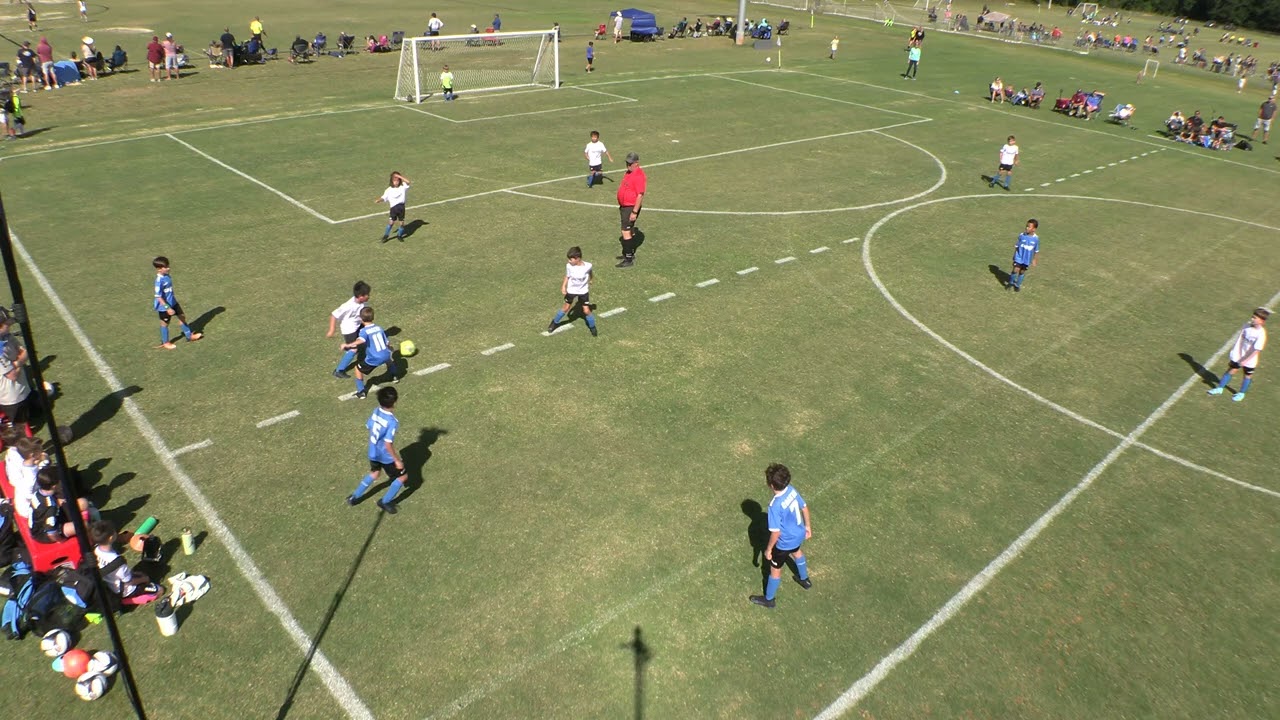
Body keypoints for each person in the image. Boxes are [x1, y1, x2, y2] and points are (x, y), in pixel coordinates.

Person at [748, 463, 812, 609]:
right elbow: (804, 507)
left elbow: (776, 533)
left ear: (771, 485)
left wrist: (769, 549)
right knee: (797, 552)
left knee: (775, 569)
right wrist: (807, 527)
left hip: (784, 542)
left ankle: (769, 599)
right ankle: (805, 580)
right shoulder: (791, 490)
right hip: (798, 534)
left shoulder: (774, 506)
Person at [346, 386, 405, 513]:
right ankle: (384, 502)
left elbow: (369, 426)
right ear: (395, 402)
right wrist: (397, 460)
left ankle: (353, 497)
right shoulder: (392, 421)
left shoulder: (376, 411)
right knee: (402, 477)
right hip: (385, 456)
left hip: (373, 452)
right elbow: (388, 444)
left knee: (375, 473)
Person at [91, 520, 163, 606]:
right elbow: (130, 582)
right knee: (160, 590)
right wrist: (144, 579)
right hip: (125, 590)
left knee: (138, 573)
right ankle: (129, 600)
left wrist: (134, 573)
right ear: (110, 538)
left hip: (110, 585)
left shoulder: (95, 551)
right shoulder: (117, 561)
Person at [1207, 307, 1269, 402]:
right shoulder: (1246, 326)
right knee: (1230, 371)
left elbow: (1256, 350)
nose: (1252, 319)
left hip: (1249, 361)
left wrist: (1245, 361)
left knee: (1247, 376)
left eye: (1255, 318)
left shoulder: (1261, 334)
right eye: (1252, 317)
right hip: (1238, 356)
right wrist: (1237, 355)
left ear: (1261, 321)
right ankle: (1219, 388)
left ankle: (1241, 393)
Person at [342, 307, 399, 398]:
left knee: (358, 369)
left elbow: (360, 340)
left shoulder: (364, 331)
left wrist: (348, 345)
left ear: (361, 319)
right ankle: (395, 375)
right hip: (386, 353)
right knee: (388, 360)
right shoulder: (379, 328)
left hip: (375, 358)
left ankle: (361, 392)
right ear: (373, 318)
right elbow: (386, 342)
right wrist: (390, 348)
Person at [28, 468, 94, 543]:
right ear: (54, 486)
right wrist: (62, 540)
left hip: (47, 519)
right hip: (43, 533)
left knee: (83, 503)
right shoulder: (50, 508)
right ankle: (91, 544)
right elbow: (51, 533)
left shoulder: (39, 492)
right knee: (84, 525)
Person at [153, 256, 203, 349]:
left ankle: (189, 336)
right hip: (164, 307)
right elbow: (158, 296)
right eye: (166, 267)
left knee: (182, 317)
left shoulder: (167, 276)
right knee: (165, 324)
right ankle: (166, 342)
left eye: (168, 266)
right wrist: (167, 308)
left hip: (173, 302)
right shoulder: (159, 281)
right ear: (159, 269)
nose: (168, 268)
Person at [547, 246, 598, 337]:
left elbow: (590, 272)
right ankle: (554, 323)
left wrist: (591, 279)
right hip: (572, 290)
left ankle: (592, 327)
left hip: (583, 291)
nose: (569, 261)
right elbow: (567, 276)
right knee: (566, 308)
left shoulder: (588, 265)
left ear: (577, 258)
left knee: (586, 310)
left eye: (571, 259)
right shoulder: (569, 266)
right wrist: (563, 286)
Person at [328, 281, 371, 379]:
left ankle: (369, 355)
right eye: (367, 295)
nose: (369, 296)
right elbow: (334, 315)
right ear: (360, 296)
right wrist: (332, 329)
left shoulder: (363, 302)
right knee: (354, 349)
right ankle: (339, 370)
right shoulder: (348, 306)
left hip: (358, 325)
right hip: (349, 329)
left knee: (367, 336)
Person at [0, 310, 31, 428]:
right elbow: (12, 375)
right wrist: (20, 362)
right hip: (12, 398)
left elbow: (25, 352)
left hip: (24, 389)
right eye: (7, 324)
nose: (10, 326)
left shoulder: (6, 336)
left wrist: (15, 364)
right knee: (20, 428)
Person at [615, 152, 646, 268]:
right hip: (625, 206)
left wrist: (634, 211)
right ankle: (629, 253)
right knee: (630, 229)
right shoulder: (629, 172)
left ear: (636, 163)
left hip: (630, 207)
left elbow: (640, 195)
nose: (627, 165)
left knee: (625, 231)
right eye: (627, 163)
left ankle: (628, 258)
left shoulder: (639, 176)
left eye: (630, 164)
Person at [375, 171, 411, 241]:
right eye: (394, 180)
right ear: (392, 181)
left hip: (401, 208)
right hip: (394, 209)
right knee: (391, 223)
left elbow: (408, 182)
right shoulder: (389, 190)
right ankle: (386, 235)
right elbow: (384, 197)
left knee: (402, 224)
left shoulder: (403, 186)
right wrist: (379, 200)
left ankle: (399, 236)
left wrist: (399, 176)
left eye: (397, 180)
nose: (396, 182)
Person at [1006, 218, 1039, 292]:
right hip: (1019, 256)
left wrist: (1034, 259)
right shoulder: (1021, 235)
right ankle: (1010, 283)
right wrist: (1015, 255)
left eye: (1029, 227)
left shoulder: (1036, 239)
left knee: (1022, 272)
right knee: (1015, 270)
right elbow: (1017, 246)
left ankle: (1017, 285)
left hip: (1026, 259)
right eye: (1026, 226)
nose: (1027, 228)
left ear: (1034, 229)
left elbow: (1036, 250)